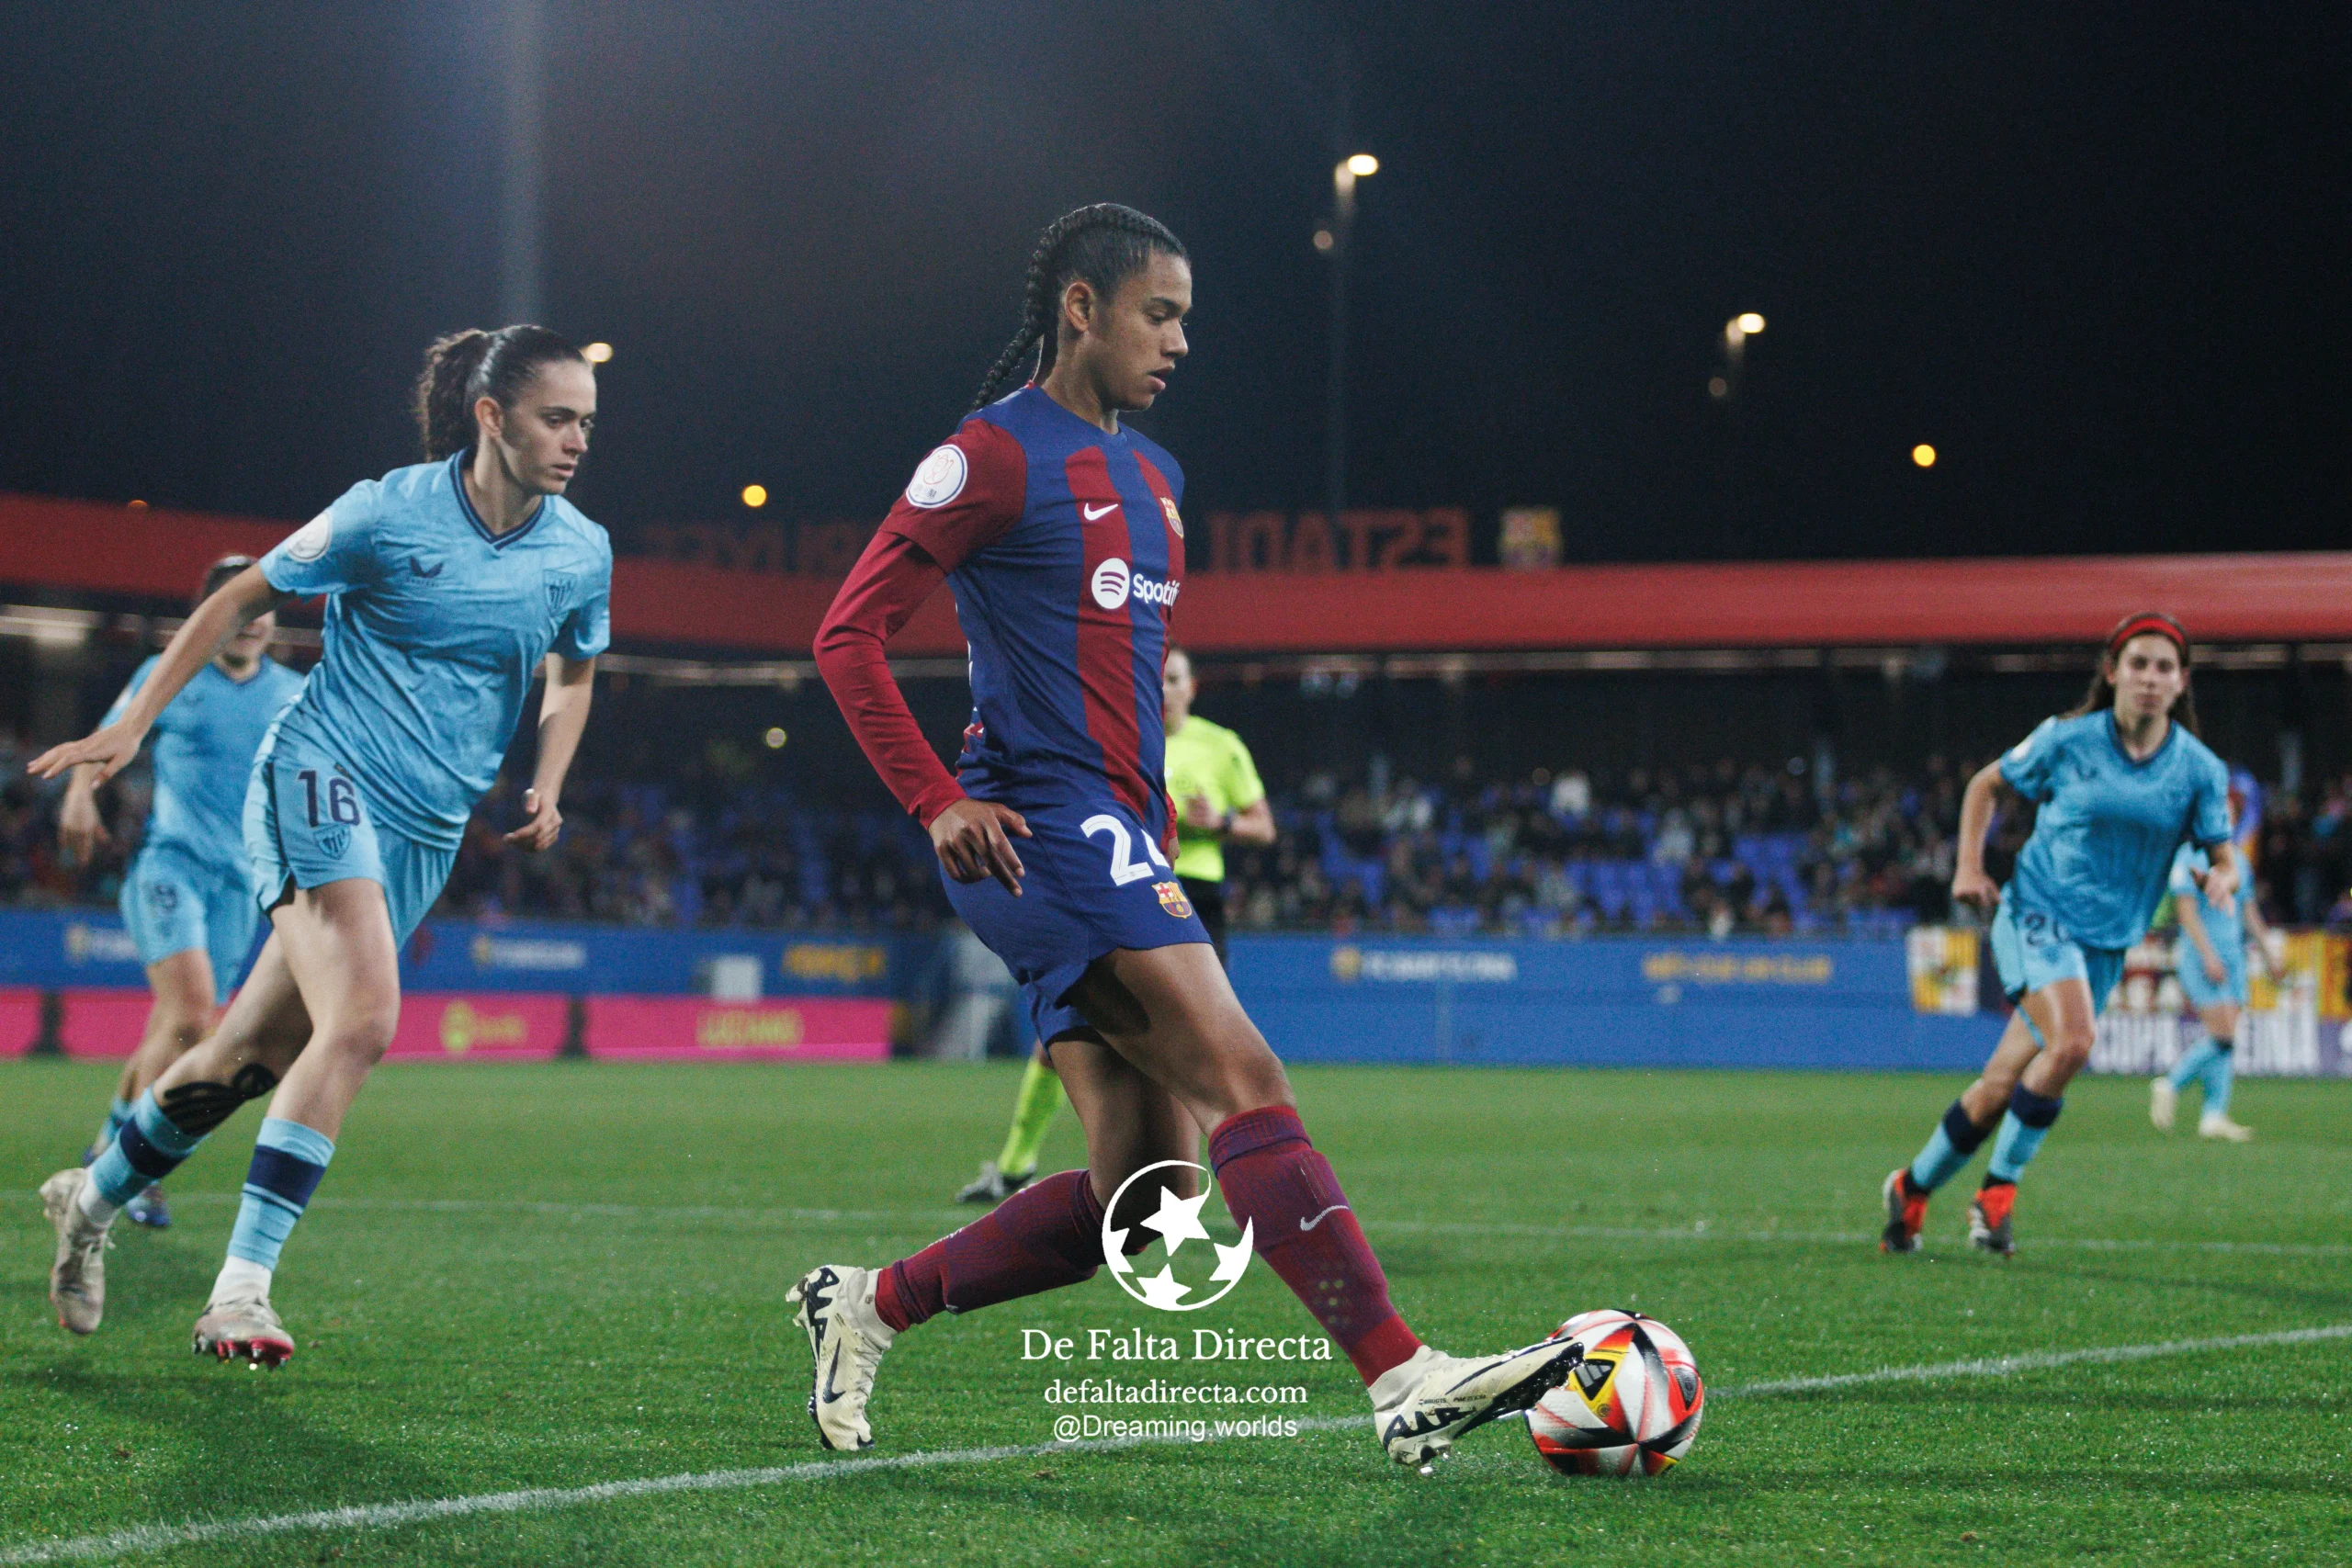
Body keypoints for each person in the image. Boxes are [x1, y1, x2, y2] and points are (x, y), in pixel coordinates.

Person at [800, 201, 1582, 1468]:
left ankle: (869, 1302)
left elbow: (1121, 685)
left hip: (1123, 834)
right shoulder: (990, 455)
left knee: (1149, 1202)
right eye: (1159, 314)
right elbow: (846, 633)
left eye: (1186, 320)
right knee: (1248, 1078)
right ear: (1082, 308)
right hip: (1040, 828)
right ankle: (1403, 1373)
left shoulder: (1161, 481)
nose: (1179, 342)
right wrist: (938, 796)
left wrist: (1151, 840)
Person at [32, 325, 609, 1363]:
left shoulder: (581, 548)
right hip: (320, 774)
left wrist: (551, 777)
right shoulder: (384, 511)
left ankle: (92, 1196)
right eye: (555, 417)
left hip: (428, 827)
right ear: (491, 416)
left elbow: (574, 668)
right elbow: (238, 596)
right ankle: (241, 1293)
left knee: (254, 1054)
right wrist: (127, 725)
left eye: (586, 422)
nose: (576, 441)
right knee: (367, 1019)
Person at [1881, 612, 2233, 1257]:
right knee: (2073, 1042)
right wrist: (1968, 863)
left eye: (2163, 667)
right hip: (2037, 911)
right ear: (2112, 671)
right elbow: (1987, 783)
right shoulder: (2067, 740)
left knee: (1997, 1088)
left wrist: (2225, 875)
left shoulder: (2200, 769)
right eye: (2138, 663)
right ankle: (1996, 1199)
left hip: (2106, 942)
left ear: (2181, 682)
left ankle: (1912, 1186)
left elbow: (2222, 849)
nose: (2150, 677)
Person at [952, 643, 1272, 1204]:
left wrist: (1216, 822)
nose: (1167, 688)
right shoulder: (1110, 739)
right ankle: (1015, 1164)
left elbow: (1262, 827)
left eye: (1176, 679)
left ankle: (1182, 1187)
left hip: (1188, 895)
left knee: (1194, 1042)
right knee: (1060, 1044)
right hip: (1107, 889)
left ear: (1192, 688)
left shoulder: (1222, 747)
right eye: (1159, 677)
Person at [59, 556, 306, 1228]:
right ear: (209, 614)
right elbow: (111, 736)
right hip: (169, 866)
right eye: (234, 607)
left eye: (259, 608)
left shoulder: (294, 691)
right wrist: (81, 796)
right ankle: (132, 1171)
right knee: (196, 1014)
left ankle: (109, 1149)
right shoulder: (170, 675)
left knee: (175, 1026)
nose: (249, 621)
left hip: (240, 888)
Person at [2151, 796, 2269, 1141]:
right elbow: (2185, 911)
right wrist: (2207, 955)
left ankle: (2213, 1115)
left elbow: (2248, 911)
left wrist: (2268, 952)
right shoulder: (2190, 859)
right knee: (2224, 1035)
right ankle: (2171, 1083)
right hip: (2204, 957)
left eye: (2231, 816)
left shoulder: (2238, 861)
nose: (2227, 822)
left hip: (2233, 957)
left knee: (2227, 1039)